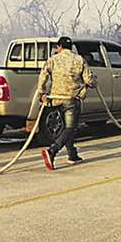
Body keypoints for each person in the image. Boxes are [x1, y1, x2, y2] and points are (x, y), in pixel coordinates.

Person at [38, 36, 95, 171]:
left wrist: (42, 93)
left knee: (66, 128)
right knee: (70, 128)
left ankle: (72, 155)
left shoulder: (52, 60)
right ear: (71, 47)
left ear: (59, 47)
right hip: (71, 98)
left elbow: (43, 75)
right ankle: (52, 151)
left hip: (56, 99)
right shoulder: (79, 59)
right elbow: (89, 79)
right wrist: (93, 83)